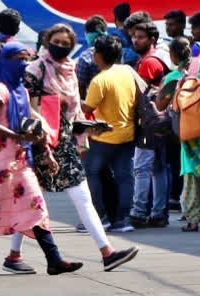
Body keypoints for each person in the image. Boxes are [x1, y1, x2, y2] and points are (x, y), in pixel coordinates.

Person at [7, 24, 138, 274]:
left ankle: (106, 252)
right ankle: (15, 255)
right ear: (47, 41)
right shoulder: (36, 69)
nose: (61, 47)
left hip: (66, 142)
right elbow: (30, 108)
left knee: (60, 199)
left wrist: (90, 126)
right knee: (38, 202)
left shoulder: (70, 70)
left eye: (66, 44)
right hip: (41, 143)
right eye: (56, 41)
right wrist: (46, 130)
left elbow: (73, 112)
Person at [0, 42, 83, 278]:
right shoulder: (0, 89)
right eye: (18, 58)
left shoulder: (21, 90)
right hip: (1, 162)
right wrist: (17, 136)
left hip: (21, 159)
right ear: (5, 60)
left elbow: (30, 126)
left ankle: (54, 260)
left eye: (26, 58)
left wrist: (46, 151)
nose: (23, 63)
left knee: (36, 205)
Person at [81, 35, 137, 233]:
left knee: (91, 173)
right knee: (124, 177)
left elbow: (88, 106)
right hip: (127, 134)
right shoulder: (126, 72)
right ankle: (123, 220)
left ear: (99, 55)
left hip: (103, 137)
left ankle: (100, 216)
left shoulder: (100, 80)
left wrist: (69, 100)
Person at [156, 37, 200, 232]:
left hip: (189, 133)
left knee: (192, 175)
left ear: (174, 55)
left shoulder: (175, 77)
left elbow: (160, 104)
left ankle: (192, 220)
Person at [129, 21, 170, 228]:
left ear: (152, 39)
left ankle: (138, 212)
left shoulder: (148, 62)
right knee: (158, 169)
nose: (136, 40)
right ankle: (158, 213)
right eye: (134, 36)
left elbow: (139, 97)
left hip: (148, 124)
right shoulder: (159, 57)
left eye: (141, 37)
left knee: (142, 169)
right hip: (160, 121)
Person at [77, 15, 108, 100]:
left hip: (93, 104)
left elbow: (81, 88)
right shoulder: (118, 50)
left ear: (88, 34)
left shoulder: (85, 57)